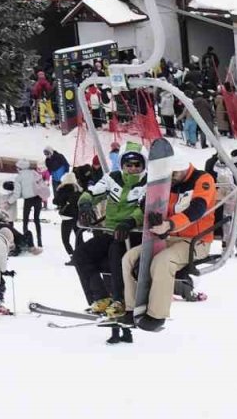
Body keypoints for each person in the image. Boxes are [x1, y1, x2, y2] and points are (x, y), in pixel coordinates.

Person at [117, 155, 218, 332]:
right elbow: (151, 199)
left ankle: (157, 315)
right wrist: (150, 213)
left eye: (176, 172)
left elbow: (197, 209)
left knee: (163, 261)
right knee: (129, 258)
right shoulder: (169, 181)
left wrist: (170, 224)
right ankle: (132, 308)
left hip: (195, 241)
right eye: (170, 173)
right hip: (168, 237)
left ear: (185, 167)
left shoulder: (203, 179)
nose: (173, 176)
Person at [74, 147, 146, 344]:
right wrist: (85, 204)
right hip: (109, 232)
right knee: (81, 254)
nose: (132, 168)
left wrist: (130, 222)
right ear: (122, 164)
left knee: (116, 253)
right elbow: (92, 192)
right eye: (128, 164)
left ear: (144, 165)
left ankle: (119, 301)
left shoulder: (147, 183)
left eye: (137, 165)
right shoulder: (112, 177)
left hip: (131, 235)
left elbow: (144, 208)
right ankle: (101, 298)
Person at [54, 172, 85, 259]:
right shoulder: (79, 190)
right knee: (79, 238)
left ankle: (72, 256)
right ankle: (82, 255)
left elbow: (55, 201)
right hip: (77, 217)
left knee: (65, 239)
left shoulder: (63, 189)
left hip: (67, 217)